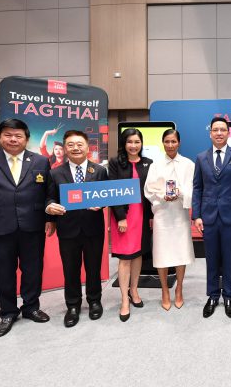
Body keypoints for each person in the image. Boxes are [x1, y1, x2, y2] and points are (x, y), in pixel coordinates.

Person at [0, 118, 54, 337]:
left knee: (33, 270)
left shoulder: (41, 161)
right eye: (8, 135)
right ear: (0, 137)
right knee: (3, 272)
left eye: (18, 135)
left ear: (26, 139)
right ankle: (7, 312)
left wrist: (50, 217)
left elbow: (48, 194)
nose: (13, 139)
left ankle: (31, 307)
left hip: (33, 226)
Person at [46, 130, 108, 327]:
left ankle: (95, 301)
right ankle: (73, 305)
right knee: (70, 269)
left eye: (79, 144)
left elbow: (106, 195)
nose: (75, 148)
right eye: (71, 145)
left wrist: (102, 203)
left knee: (93, 268)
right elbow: (49, 197)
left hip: (93, 228)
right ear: (65, 148)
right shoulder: (55, 173)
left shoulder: (99, 171)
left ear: (87, 147)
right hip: (68, 229)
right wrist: (50, 207)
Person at [192, 117, 231, 319]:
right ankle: (213, 295)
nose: (219, 133)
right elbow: (197, 188)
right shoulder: (201, 158)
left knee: (229, 258)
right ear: (210, 133)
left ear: (228, 133)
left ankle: (229, 296)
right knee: (211, 258)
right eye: (215, 130)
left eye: (222, 130)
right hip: (208, 216)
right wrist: (196, 215)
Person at [144, 129, 195, 311]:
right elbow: (148, 189)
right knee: (162, 253)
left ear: (179, 143)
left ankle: (179, 288)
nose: (170, 145)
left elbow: (194, 188)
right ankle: (165, 290)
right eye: (167, 141)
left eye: (173, 141)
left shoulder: (189, 164)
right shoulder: (155, 165)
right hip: (162, 214)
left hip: (180, 213)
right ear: (163, 143)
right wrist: (162, 196)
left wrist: (180, 193)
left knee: (181, 252)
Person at [109, 128, 153, 322]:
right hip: (124, 217)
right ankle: (124, 299)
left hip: (141, 216)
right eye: (129, 142)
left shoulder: (148, 163)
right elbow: (113, 190)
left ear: (141, 143)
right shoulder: (115, 163)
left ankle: (134, 290)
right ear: (123, 143)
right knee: (125, 258)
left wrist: (152, 216)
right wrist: (120, 217)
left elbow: (151, 192)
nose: (133, 145)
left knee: (138, 255)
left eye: (137, 142)